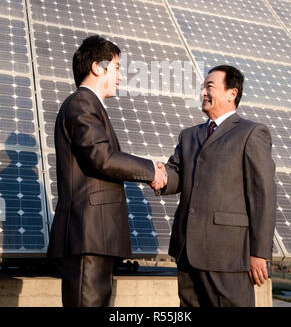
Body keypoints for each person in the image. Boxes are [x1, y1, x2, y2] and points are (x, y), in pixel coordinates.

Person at [47, 35, 166, 307]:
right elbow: (101, 157)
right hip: (88, 232)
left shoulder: (88, 106)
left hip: (94, 235)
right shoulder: (82, 104)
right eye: (116, 67)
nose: (120, 76)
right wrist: (151, 170)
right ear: (96, 67)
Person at [158, 65, 276, 307]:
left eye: (209, 86)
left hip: (229, 257)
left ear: (231, 93)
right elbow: (176, 175)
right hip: (187, 252)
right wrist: (155, 174)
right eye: (203, 87)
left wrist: (259, 253)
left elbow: (262, 196)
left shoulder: (251, 133)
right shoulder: (188, 135)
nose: (203, 92)